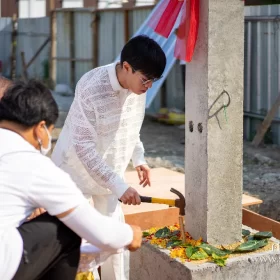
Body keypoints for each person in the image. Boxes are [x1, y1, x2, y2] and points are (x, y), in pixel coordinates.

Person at [0, 80, 142, 280]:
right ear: (41, 128)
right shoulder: (33, 164)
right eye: (50, 130)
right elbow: (99, 232)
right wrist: (131, 234)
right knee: (66, 227)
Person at [51, 35, 166, 280]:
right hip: (76, 171)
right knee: (76, 237)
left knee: (115, 235)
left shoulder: (138, 88)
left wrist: (139, 158)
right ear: (126, 67)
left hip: (110, 171)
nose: (148, 86)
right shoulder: (91, 86)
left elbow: (130, 127)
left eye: (153, 81)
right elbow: (83, 145)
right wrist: (118, 184)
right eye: (146, 79)